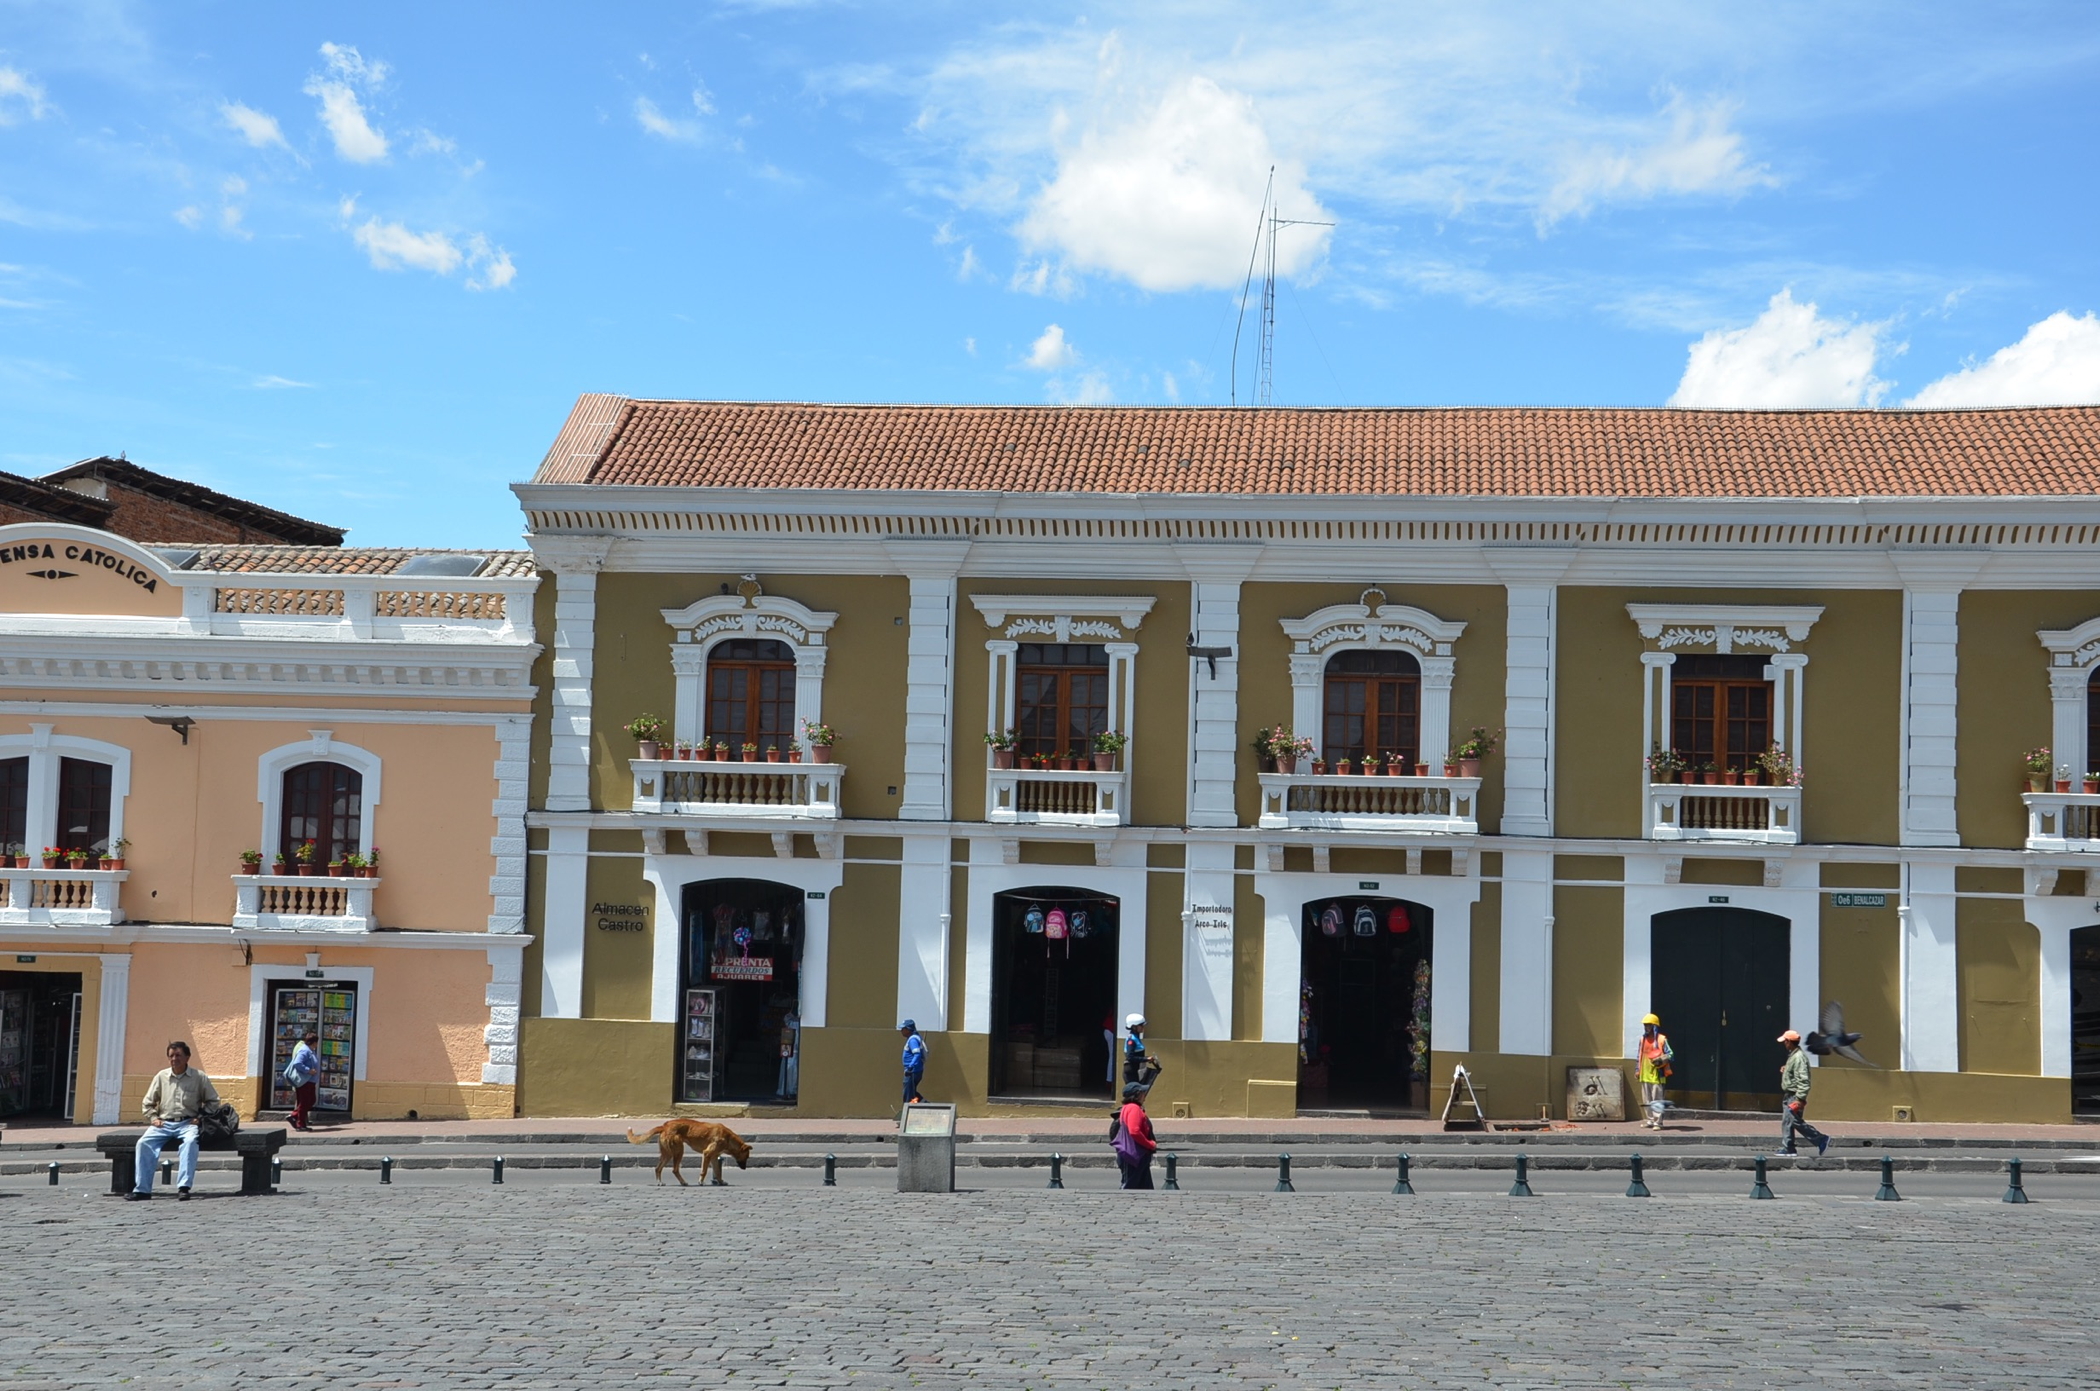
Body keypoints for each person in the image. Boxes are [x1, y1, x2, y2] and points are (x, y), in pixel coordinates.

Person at [131, 1041, 221, 1202]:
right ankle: (142, 1190)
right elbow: (147, 1102)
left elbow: (213, 1101)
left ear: (187, 1057)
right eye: (171, 1056)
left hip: (188, 1123)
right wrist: (153, 1118)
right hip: (164, 1123)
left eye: (178, 1055)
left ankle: (183, 1188)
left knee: (190, 1143)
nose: (174, 1059)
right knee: (143, 1143)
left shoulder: (199, 1077)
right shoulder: (161, 1077)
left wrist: (200, 1118)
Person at [1777, 1029, 1831, 1157]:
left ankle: (1820, 1139)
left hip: (1795, 1095)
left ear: (1789, 1042)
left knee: (1794, 1120)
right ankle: (1788, 1147)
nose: (1784, 1044)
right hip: (1790, 1094)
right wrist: (1786, 1070)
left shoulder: (1799, 1057)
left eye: (1785, 1041)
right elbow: (1796, 1074)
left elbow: (1804, 1079)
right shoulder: (1794, 1056)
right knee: (1787, 1121)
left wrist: (1800, 1099)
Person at [1111, 1081, 1157, 1189]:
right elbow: (1134, 1131)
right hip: (1134, 1156)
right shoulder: (1134, 1108)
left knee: (1145, 1188)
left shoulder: (1127, 1107)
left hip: (1136, 1156)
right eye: (1142, 1093)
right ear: (1136, 1095)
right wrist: (1150, 1144)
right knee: (1129, 1188)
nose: (1144, 1096)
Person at [1636, 1013, 1673, 1130]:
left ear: (1654, 1026)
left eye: (1649, 1025)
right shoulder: (1642, 1039)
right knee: (1647, 1099)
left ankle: (1658, 1122)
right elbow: (1639, 1055)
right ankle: (1650, 1120)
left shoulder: (1662, 1039)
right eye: (1645, 1025)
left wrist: (1661, 1059)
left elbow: (1671, 1054)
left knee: (1657, 1099)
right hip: (1645, 1073)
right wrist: (1637, 1069)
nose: (1646, 1027)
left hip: (1657, 1074)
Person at [283, 1030, 321, 1131]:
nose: (317, 1044)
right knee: (306, 1101)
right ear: (313, 1042)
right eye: (316, 1042)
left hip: (309, 1081)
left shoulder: (310, 1050)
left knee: (309, 1101)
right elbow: (297, 1063)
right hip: (305, 1081)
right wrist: (308, 1070)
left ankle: (297, 1119)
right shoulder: (305, 1050)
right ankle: (299, 1122)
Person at [1123, 1013, 1160, 1090]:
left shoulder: (1136, 1038)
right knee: (1134, 1094)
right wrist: (1146, 1059)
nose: (1143, 1027)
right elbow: (1130, 1057)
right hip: (1131, 1071)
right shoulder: (1131, 1040)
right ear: (1134, 1027)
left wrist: (1147, 1059)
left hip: (1136, 1070)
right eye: (1141, 1025)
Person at [898, 1019, 926, 1107]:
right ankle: (924, 1104)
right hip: (913, 1071)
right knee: (911, 1092)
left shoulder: (913, 1040)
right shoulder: (914, 1038)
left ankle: (907, 1112)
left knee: (908, 1093)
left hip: (912, 1072)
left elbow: (917, 1054)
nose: (901, 1031)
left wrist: (910, 1067)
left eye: (903, 1029)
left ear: (908, 1029)